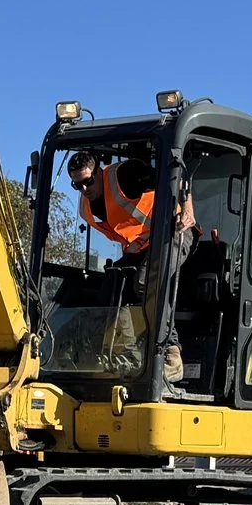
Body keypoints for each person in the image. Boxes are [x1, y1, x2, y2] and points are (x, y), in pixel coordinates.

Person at [68, 147, 192, 385]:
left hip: (175, 231)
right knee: (113, 284)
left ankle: (172, 354)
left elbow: (178, 178)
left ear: (99, 172)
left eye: (88, 181)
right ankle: (126, 352)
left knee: (146, 280)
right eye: (77, 186)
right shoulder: (87, 208)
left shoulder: (125, 175)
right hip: (142, 245)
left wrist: (187, 211)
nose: (84, 189)